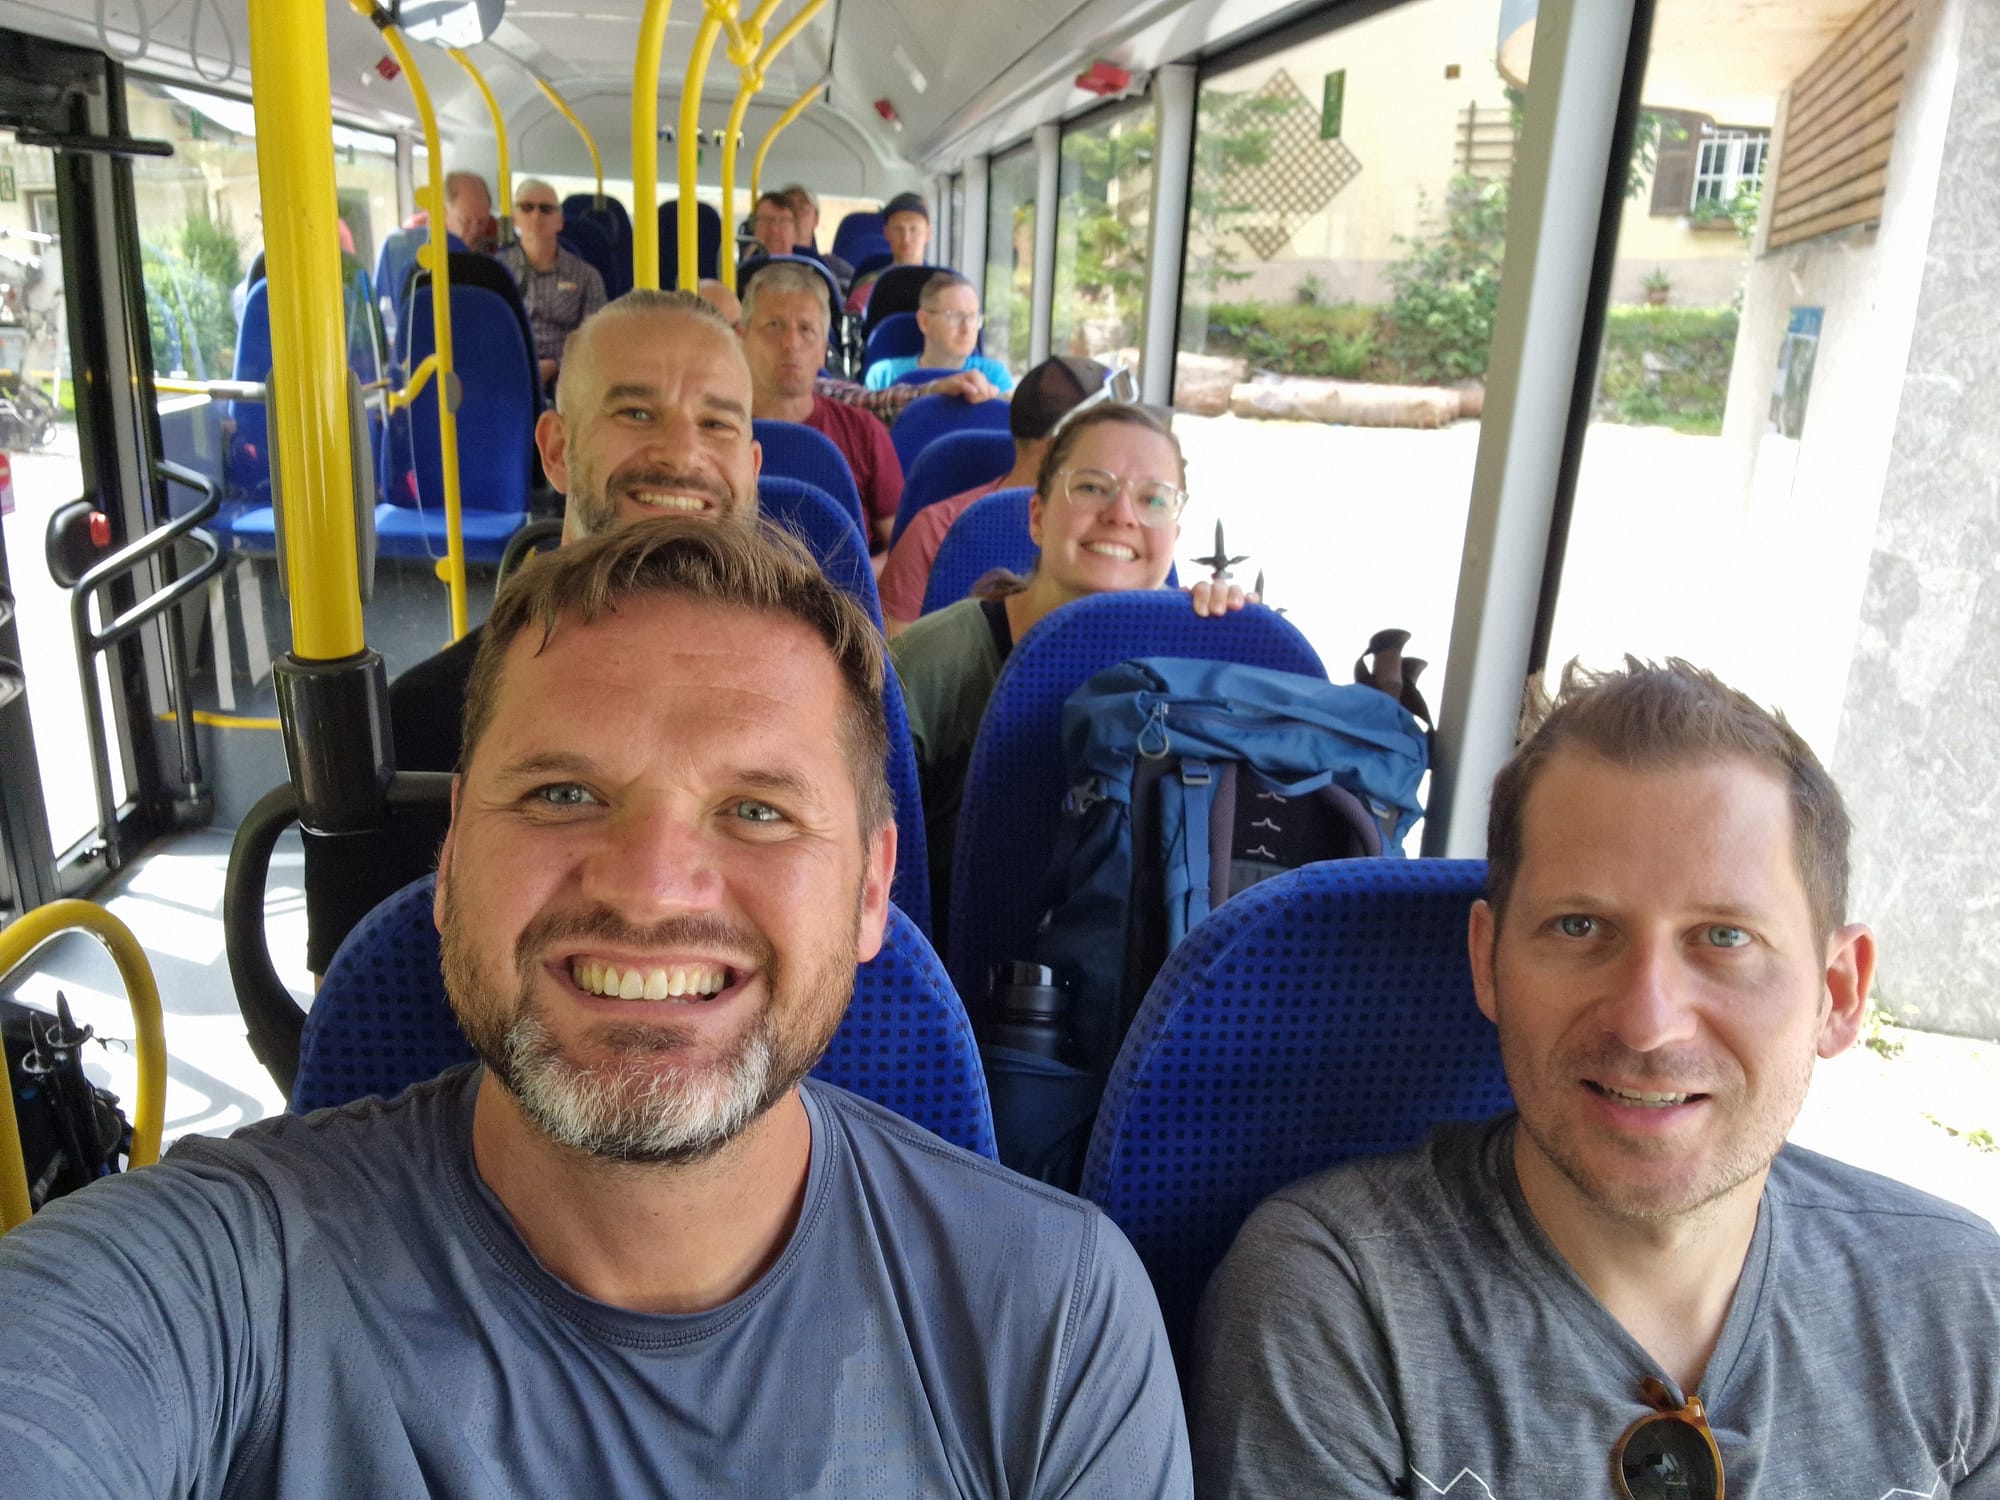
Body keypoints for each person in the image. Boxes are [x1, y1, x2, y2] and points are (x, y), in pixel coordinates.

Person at [0, 517, 1194, 1497]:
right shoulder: (220, 1284)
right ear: (453, 855)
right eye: (563, 794)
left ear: (872, 889)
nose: (649, 888)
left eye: (758, 811)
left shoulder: (1053, 1322)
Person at [1190, 659, 2000, 1499]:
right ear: (1488, 962)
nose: (1648, 1022)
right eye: (1580, 927)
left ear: (1839, 992)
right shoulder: (1343, 1303)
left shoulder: (1966, 1307)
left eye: (1725, 938)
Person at [299, 289, 762, 977]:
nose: (681, 452)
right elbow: (358, 1005)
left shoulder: (809, 709)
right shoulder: (417, 724)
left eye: (716, 424)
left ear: (753, 467)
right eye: (637, 413)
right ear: (556, 448)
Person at [891, 402, 1247, 939]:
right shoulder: (936, 662)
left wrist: (1240, 646)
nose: (1122, 515)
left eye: (1153, 499)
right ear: (1037, 517)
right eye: (1092, 487)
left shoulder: (1203, 666)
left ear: (1174, 536)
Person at [880, 354, 1107, 631]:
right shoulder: (938, 532)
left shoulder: (1118, 536)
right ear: (1055, 450)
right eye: (1106, 447)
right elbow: (896, 652)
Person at [740, 259, 903, 550]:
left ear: (823, 351)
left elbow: (899, 550)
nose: (791, 343)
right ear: (743, 337)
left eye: (806, 329)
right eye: (774, 325)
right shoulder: (714, 429)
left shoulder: (864, 431)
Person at [495, 177, 608, 390]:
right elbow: (491, 332)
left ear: (560, 221)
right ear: (515, 218)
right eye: (527, 207)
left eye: (546, 209)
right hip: (508, 371)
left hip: (570, 376)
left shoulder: (586, 276)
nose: (536, 215)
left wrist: (555, 365)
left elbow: (594, 339)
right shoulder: (497, 271)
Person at [864, 270, 1014, 392]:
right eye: (955, 316)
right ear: (924, 322)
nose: (966, 329)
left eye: (973, 317)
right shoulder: (884, 376)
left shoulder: (994, 377)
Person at [845, 190, 931, 312]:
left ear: (928, 234)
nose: (906, 238)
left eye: (914, 229)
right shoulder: (868, 287)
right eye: (898, 229)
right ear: (887, 233)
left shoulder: (942, 288)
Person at [780, 183, 854, 290]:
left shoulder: (833, 266)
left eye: (802, 208)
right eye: (789, 208)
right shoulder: (764, 260)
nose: (795, 214)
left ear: (816, 219)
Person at [443, 169, 495, 254]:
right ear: (444, 213)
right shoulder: (424, 246)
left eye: (482, 222)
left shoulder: (499, 238)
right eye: (466, 222)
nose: (475, 231)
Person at [746, 190, 795, 262]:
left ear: (795, 231)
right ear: (754, 227)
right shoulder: (738, 267)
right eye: (766, 220)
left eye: (783, 221)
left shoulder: (808, 267)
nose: (774, 229)